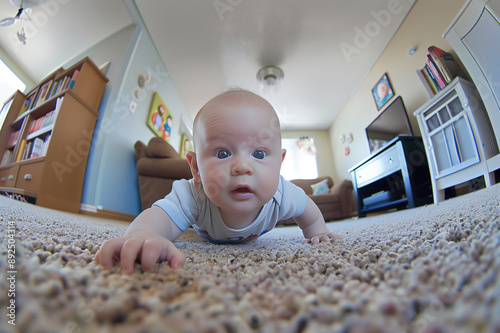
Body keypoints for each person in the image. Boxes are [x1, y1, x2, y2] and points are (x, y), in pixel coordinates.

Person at [96, 90, 341, 274]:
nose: (242, 167)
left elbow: (307, 210)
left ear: (280, 164)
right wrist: (143, 234)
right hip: (205, 234)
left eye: (259, 154)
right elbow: (159, 216)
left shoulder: (283, 193)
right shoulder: (194, 195)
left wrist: (317, 232)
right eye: (223, 153)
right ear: (195, 167)